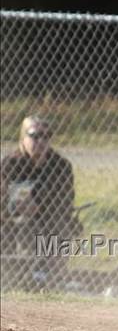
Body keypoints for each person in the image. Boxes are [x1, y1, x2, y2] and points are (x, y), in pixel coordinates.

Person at [1, 116, 80, 282]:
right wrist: (13, 208)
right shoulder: (9, 164)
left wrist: (40, 207)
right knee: (22, 224)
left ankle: (52, 275)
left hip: (47, 216)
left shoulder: (60, 166)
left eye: (47, 136)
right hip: (11, 218)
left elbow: (67, 201)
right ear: (23, 137)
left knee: (62, 224)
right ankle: (12, 274)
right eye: (35, 135)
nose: (42, 141)